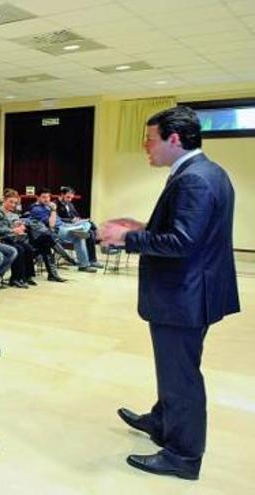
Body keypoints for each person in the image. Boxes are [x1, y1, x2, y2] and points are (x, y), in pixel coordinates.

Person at [99, 106, 239, 480]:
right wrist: (144, 226)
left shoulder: (193, 179)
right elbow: (190, 231)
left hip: (184, 295)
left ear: (174, 139)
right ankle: (162, 422)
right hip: (192, 291)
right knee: (174, 369)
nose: (147, 147)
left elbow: (181, 241)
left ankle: (183, 455)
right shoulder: (206, 172)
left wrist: (127, 237)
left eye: (150, 140)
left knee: (182, 377)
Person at [30, 189, 99, 272]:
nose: (47, 199)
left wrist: (72, 222)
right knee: (81, 235)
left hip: (64, 226)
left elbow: (60, 220)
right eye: (44, 197)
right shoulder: (37, 209)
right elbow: (51, 224)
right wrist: (53, 210)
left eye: (48, 197)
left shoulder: (47, 206)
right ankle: (84, 264)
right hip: (57, 231)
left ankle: (83, 264)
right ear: (38, 197)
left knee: (87, 224)